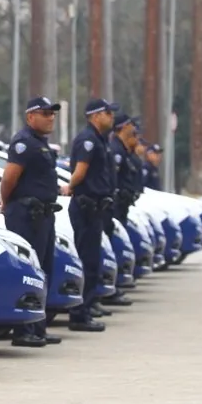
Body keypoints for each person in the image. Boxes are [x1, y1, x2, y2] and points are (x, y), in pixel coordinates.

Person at [0, 97, 64, 348]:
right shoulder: (24, 142)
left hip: (43, 215)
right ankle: (23, 329)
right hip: (27, 215)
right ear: (30, 117)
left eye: (52, 114)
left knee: (43, 271)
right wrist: (7, 203)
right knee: (28, 272)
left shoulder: (40, 143)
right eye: (45, 113)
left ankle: (38, 327)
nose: (51, 118)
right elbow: (9, 179)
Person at [61, 97, 121, 333]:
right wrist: (70, 187)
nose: (111, 117)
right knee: (87, 261)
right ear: (95, 116)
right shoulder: (88, 140)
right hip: (86, 207)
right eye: (108, 113)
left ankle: (87, 307)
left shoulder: (99, 139)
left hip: (96, 207)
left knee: (93, 261)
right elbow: (80, 172)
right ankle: (79, 314)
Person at [104, 112, 141, 308]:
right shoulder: (116, 150)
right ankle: (109, 288)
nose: (133, 128)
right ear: (121, 127)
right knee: (110, 246)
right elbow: (114, 179)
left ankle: (112, 286)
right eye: (130, 125)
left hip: (121, 205)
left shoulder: (123, 150)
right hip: (115, 205)